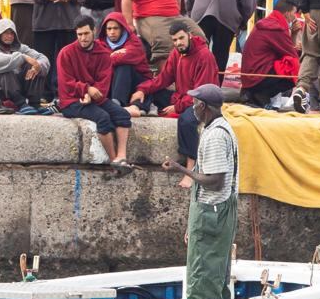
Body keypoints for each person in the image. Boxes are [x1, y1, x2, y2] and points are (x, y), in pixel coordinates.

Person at [160, 84, 239, 299]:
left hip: (212, 213)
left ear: (203, 106)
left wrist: (180, 169)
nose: (192, 107)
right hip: (217, 212)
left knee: (202, 272)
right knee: (216, 271)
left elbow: (214, 181)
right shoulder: (222, 127)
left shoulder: (214, 135)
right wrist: (192, 225)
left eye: (195, 103)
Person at [131, 21, 219, 182]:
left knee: (186, 121)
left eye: (181, 38)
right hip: (182, 98)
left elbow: (200, 93)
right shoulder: (176, 53)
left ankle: (191, 168)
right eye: (175, 40)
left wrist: (176, 107)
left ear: (189, 35)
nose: (178, 43)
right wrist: (142, 90)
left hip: (203, 103)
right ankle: (137, 108)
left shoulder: (204, 56)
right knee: (152, 90)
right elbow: (163, 79)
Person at [57, 16, 133, 174]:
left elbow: (104, 82)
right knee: (103, 118)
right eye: (79, 35)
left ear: (94, 31)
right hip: (71, 101)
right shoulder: (66, 53)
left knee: (123, 115)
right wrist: (86, 89)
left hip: (96, 97)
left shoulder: (104, 53)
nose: (83, 38)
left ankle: (121, 156)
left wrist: (91, 94)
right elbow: (66, 83)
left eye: (86, 33)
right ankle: (114, 162)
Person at [0, 19, 51, 115]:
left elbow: (42, 58)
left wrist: (37, 66)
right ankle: (21, 103)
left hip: (14, 88)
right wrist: (23, 57)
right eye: (6, 33)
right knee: (4, 67)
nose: (9, 36)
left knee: (35, 65)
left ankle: (34, 103)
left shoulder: (21, 48)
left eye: (12, 33)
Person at [239, 0, 299, 108]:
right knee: (294, 66)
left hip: (250, 76)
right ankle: (262, 93)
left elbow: (286, 49)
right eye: (294, 13)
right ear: (287, 13)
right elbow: (292, 54)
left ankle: (258, 93)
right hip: (258, 78)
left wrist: (293, 34)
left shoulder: (268, 23)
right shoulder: (277, 28)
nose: (295, 17)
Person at [98, 12, 152, 112]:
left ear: (122, 28)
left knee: (124, 66)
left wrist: (108, 58)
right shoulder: (100, 44)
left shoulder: (134, 41)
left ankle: (117, 102)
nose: (112, 32)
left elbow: (126, 57)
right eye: (109, 29)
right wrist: (113, 55)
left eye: (115, 28)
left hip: (137, 82)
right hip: (113, 83)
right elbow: (98, 63)